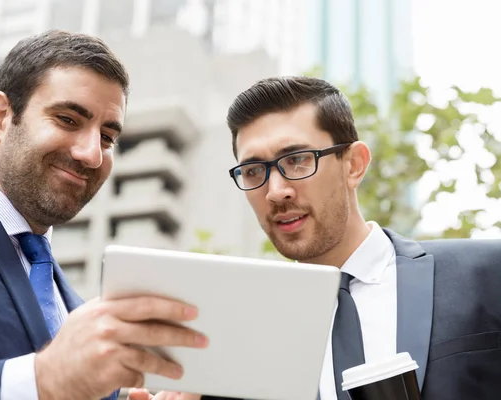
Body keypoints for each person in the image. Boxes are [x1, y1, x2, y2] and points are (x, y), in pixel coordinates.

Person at [130, 76, 501, 400]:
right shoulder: (238, 343)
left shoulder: (485, 274)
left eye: (296, 160)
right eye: (254, 169)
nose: (275, 191)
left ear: (353, 164)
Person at [0, 29, 208, 400]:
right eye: (67, 119)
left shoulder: (76, 311)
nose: (92, 154)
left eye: (108, 138)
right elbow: (44, 382)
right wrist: (43, 379)